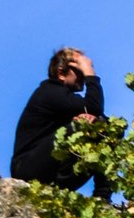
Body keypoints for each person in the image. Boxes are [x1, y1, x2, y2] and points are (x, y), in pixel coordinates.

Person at [9, 47, 104, 192]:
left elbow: (94, 111)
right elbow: (94, 107)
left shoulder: (68, 98)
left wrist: (95, 120)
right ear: (61, 73)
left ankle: (102, 196)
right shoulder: (49, 92)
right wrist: (91, 74)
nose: (83, 77)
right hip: (26, 168)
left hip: (53, 170)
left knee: (104, 128)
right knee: (83, 126)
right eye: (79, 71)